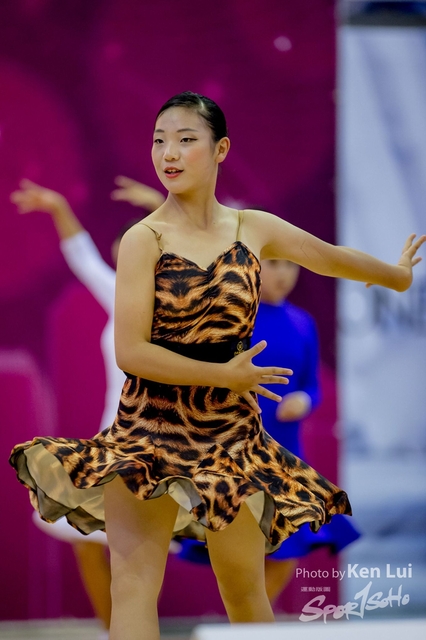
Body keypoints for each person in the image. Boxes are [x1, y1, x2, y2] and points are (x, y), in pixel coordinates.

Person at [9, 91, 425, 640]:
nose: (169, 153)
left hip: (231, 438)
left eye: (185, 140)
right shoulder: (143, 239)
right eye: (159, 141)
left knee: (245, 589)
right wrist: (224, 375)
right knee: (134, 586)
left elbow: (328, 257)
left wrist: (395, 275)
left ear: (220, 149)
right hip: (148, 432)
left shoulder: (253, 228)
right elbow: (131, 352)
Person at [10, 177, 163, 637]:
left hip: (160, 446)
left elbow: (199, 245)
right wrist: (58, 206)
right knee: (89, 542)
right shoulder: (119, 295)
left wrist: (161, 204)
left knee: (137, 553)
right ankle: (116, 631)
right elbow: (81, 255)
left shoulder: (179, 303)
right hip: (113, 442)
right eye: (123, 245)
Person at [176, 258, 360, 604]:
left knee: (287, 547)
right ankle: (246, 618)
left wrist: (304, 400)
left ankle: (251, 621)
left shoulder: (303, 322)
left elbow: (312, 385)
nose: (284, 274)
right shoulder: (231, 318)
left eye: (292, 265)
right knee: (239, 548)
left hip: (285, 451)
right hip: (234, 449)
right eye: (274, 264)